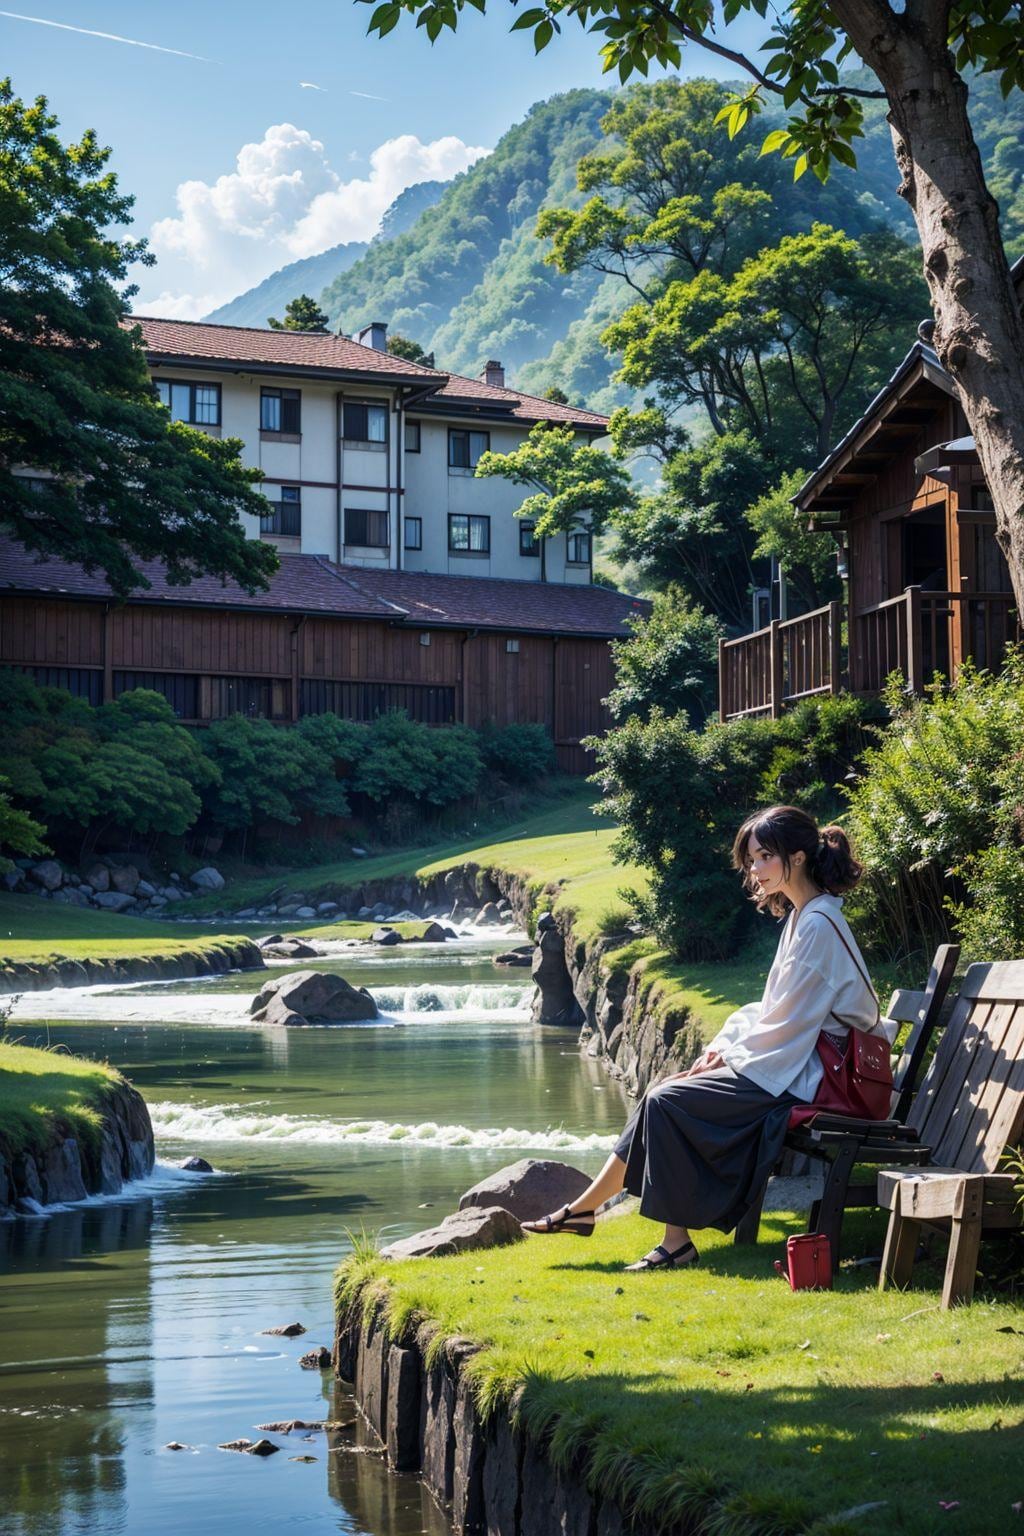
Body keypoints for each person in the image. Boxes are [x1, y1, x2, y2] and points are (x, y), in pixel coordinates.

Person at [521, 805, 883, 1271]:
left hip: (823, 1080)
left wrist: (731, 1056)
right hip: (795, 1062)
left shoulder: (816, 924)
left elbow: (791, 1020)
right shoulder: (804, 917)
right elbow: (775, 1008)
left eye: (763, 857)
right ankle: (589, 1209)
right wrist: (724, 1044)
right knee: (660, 1095)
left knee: (668, 1101)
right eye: (750, 860)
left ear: (796, 857)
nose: (754, 870)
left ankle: (664, 1240)